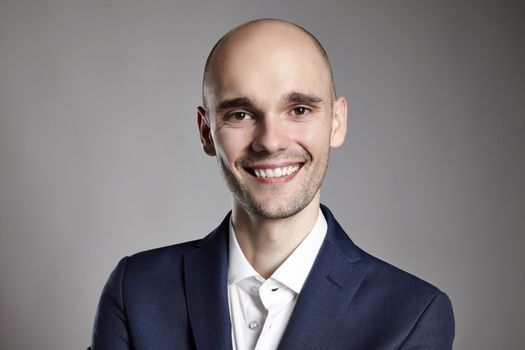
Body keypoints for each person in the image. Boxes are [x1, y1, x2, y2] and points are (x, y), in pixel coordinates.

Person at [90, 18, 455, 349]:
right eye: (240, 114)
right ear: (206, 132)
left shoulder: (412, 314)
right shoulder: (135, 290)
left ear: (337, 121)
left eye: (299, 110)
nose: (270, 141)